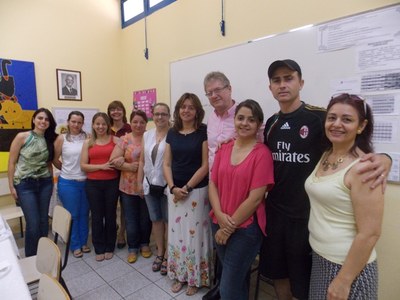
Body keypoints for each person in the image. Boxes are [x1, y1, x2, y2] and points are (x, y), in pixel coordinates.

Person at [259, 59, 391, 300]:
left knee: (305, 285)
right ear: (270, 88)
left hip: (307, 219)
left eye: (288, 78)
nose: (282, 85)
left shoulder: (321, 118)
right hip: (275, 215)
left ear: (301, 82)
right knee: (279, 276)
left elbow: (353, 146)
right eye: (276, 80)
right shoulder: (271, 123)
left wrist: (385, 158)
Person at [305, 94, 383, 299]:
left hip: (348, 268)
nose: (336, 124)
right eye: (331, 118)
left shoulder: (364, 169)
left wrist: (343, 280)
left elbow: (370, 233)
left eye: (347, 119)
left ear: (361, 126)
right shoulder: (326, 155)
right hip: (321, 259)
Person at [209, 99, 274, 300]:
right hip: (217, 222)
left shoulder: (262, 154)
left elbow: (255, 199)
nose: (244, 123)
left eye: (251, 120)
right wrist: (219, 216)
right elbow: (213, 184)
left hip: (245, 229)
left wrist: (228, 227)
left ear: (258, 125)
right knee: (235, 280)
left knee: (228, 288)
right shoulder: (224, 148)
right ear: (234, 120)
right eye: (240, 118)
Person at [163, 93, 213, 296]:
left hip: (197, 192)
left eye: (191, 107)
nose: (186, 110)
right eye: (183, 107)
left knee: (195, 237)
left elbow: (205, 165)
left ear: (197, 111)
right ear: (178, 109)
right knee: (177, 235)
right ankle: (179, 275)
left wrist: (187, 188)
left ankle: (195, 278)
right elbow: (166, 163)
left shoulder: (203, 131)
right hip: (174, 192)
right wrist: (173, 187)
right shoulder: (172, 133)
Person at [7, 108, 57, 257]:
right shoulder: (22, 137)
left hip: (45, 183)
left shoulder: (49, 139)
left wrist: (52, 182)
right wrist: (11, 186)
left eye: (47, 119)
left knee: (43, 222)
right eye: (40, 118)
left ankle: (43, 253)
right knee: (33, 223)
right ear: (34, 119)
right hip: (25, 184)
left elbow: (49, 164)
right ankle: (31, 256)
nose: (43, 121)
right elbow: (11, 163)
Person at [109, 110, 152, 264]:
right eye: (135, 122)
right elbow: (113, 160)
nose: (138, 125)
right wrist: (128, 166)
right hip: (127, 187)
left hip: (147, 185)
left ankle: (145, 244)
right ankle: (133, 247)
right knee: (131, 218)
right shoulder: (124, 139)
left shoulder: (151, 137)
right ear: (130, 123)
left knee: (146, 218)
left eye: (141, 122)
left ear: (146, 123)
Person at [80, 112, 119, 262]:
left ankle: (110, 246)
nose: (100, 126)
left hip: (112, 183)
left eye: (103, 124)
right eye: (97, 124)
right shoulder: (88, 142)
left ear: (108, 125)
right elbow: (83, 166)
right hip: (93, 184)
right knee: (96, 217)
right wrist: (102, 166)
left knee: (110, 215)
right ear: (93, 125)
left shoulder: (115, 140)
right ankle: (99, 247)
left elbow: (125, 152)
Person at [137, 103, 171, 274]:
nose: (160, 117)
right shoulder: (147, 135)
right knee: (156, 220)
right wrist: (139, 182)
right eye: (157, 114)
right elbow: (142, 161)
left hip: (167, 186)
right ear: (152, 115)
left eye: (163, 114)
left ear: (169, 116)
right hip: (149, 184)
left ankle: (168, 257)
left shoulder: (174, 135)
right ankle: (160, 252)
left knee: (168, 221)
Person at [53, 111, 90, 258]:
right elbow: (55, 159)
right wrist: (67, 170)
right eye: (73, 121)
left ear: (83, 123)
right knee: (73, 215)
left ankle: (84, 242)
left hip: (86, 182)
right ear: (68, 122)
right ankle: (75, 245)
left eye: (79, 122)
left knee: (84, 214)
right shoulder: (61, 139)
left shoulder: (88, 138)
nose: (76, 125)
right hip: (68, 183)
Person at [107, 100, 132, 249]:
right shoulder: (104, 128)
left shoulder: (130, 128)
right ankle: (112, 231)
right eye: (112, 110)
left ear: (123, 111)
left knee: (124, 207)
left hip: (126, 173)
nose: (116, 112)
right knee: (110, 207)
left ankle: (122, 233)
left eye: (118, 109)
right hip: (108, 173)